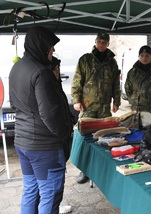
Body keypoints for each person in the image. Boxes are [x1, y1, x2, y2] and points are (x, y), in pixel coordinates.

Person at [9, 26, 73, 214]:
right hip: (44, 148)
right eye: (50, 47)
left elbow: (14, 104)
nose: (53, 50)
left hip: (23, 142)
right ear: (42, 45)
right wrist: (65, 134)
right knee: (50, 195)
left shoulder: (17, 67)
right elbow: (50, 113)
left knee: (31, 190)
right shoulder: (41, 73)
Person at [71, 32, 120, 184]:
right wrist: (76, 100)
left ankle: (102, 169)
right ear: (96, 42)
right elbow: (77, 81)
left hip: (104, 107)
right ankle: (84, 170)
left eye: (104, 42)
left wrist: (116, 101)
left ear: (107, 44)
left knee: (104, 137)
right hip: (88, 106)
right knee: (85, 137)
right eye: (99, 41)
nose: (102, 44)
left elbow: (115, 84)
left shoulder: (112, 62)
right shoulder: (86, 59)